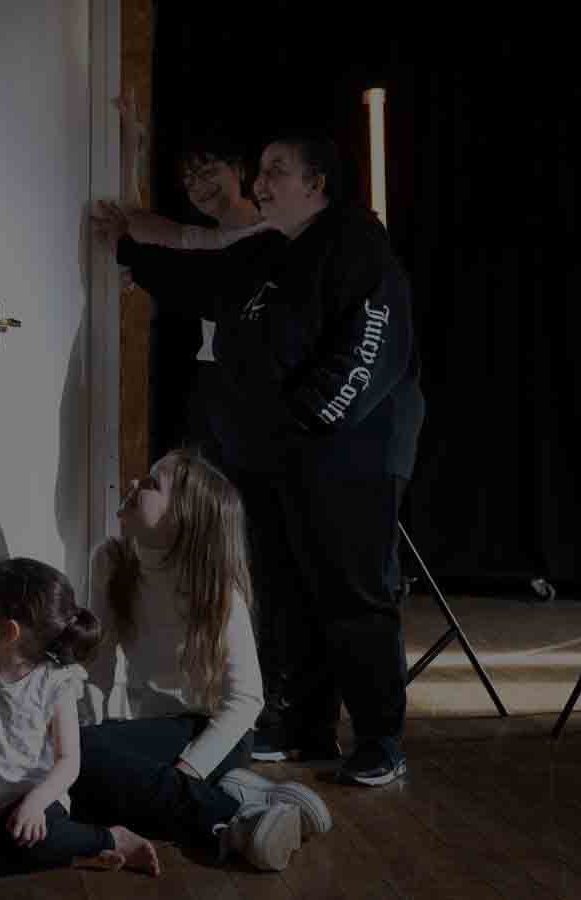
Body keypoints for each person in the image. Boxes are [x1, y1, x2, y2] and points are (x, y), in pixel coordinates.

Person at [99, 132, 424, 787]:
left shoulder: (357, 242)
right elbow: (210, 289)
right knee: (289, 589)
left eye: (278, 171)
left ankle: (380, 738)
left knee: (352, 593)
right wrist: (127, 248)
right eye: (264, 169)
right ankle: (306, 724)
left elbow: (370, 344)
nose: (263, 182)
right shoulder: (275, 252)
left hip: (350, 454)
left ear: (318, 184)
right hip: (288, 456)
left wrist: (307, 418)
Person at [74, 447, 331, 872]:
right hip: (155, 731)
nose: (136, 485)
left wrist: (190, 769)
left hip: (215, 737)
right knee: (75, 768)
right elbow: (97, 664)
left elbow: (246, 700)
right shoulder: (111, 560)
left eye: (154, 484)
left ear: (184, 519)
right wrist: (87, 728)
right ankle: (243, 799)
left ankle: (237, 819)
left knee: (88, 766)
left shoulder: (217, 588)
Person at [0, 557, 159, 877]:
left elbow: (69, 759)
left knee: (34, 838)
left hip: (34, 803)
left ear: (10, 630)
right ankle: (73, 855)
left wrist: (36, 802)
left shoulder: (55, 682)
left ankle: (109, 837)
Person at [103, 93, 269, 461]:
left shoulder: (269, 234)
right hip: (213, 380)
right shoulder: (205, 239)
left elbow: (139, 240)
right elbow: (132, 221)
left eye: (209, 171)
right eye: (190, 178)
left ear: (239, 170)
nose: (199, 185)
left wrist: (144, 264)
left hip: (254, 386)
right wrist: (132, 145)